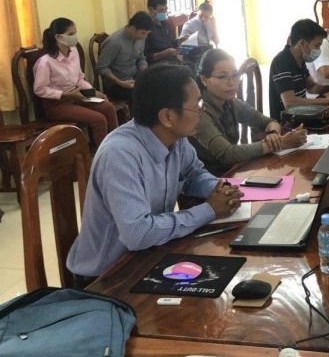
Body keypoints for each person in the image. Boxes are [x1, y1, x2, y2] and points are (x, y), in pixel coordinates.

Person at [66, 64, 243, 285]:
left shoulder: (175, 138)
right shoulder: (120, 154)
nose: (202, 112)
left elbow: (193, 174)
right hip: (108, 275)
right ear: (167, 116)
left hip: (149, 254)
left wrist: (219, 189)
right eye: (197, 105)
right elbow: (138, 233)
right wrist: (209, 210)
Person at [192, 49, 307, 176]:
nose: (232, 83)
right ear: (204, 79)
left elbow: (269, 122)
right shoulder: (198, 112)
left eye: (235, 75)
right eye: (223, 77)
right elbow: (228, 154)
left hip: (233, 171)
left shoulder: (231, 103)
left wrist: (273, 135)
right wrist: (281, 143)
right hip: (211, 179)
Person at [33, 18, 118, 147]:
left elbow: (79, 79)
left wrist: (93, 92)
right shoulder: (46, 62)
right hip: (57, 105)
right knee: (98, 119)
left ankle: (117, 146)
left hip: (76, 97)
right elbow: (40, 89)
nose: (74, 37)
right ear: (58, 37)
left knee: (108, 107)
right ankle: (104, 154)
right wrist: (65, 95)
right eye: (71, 34)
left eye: (75, 33)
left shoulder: (74, 52)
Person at [269, 19, 329, 119]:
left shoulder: (300, 60)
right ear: (302, 43)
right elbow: (290, 103)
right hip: (286, 123)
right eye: (317, 46)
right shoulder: (281, 62)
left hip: (301, 116)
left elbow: (312, 87)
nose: (318, 50)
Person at [97, 11, 153, 105]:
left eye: (147, 33)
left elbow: (141, 58)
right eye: (143, 33)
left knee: (157, 86)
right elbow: (101, 68)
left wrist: (145, 71)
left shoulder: (141, 38)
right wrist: (120, 82)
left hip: (134, 78)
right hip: (116, 84)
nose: (145, 36)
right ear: (133, 28)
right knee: (143, 95)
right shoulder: (114, 42)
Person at [145, 0, 180, 64]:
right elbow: (145, 57)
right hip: (158, 64)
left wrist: (181, 40)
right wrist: (164, 53)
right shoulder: (145, 28)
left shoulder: (166, 23)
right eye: (161, 10)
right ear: (151, 10)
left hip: (172, 61)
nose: (164, 12)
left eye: (166, 9)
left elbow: (170, 43)